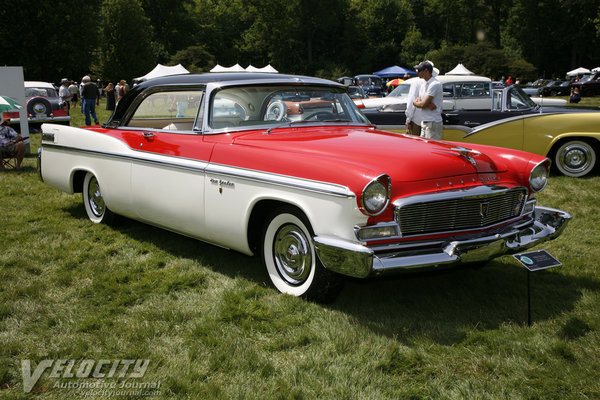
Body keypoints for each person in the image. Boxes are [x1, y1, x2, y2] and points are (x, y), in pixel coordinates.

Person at [412, 61, 443, 140]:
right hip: (425, 121)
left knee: (432, 149)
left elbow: (422, 104)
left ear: (426, 71)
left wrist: (416, 103)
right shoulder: (424, 84)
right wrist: (425, 103)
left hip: (433, 122)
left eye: (419, 70)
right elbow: (420, 100)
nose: (417, 72)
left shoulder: (435, 84)